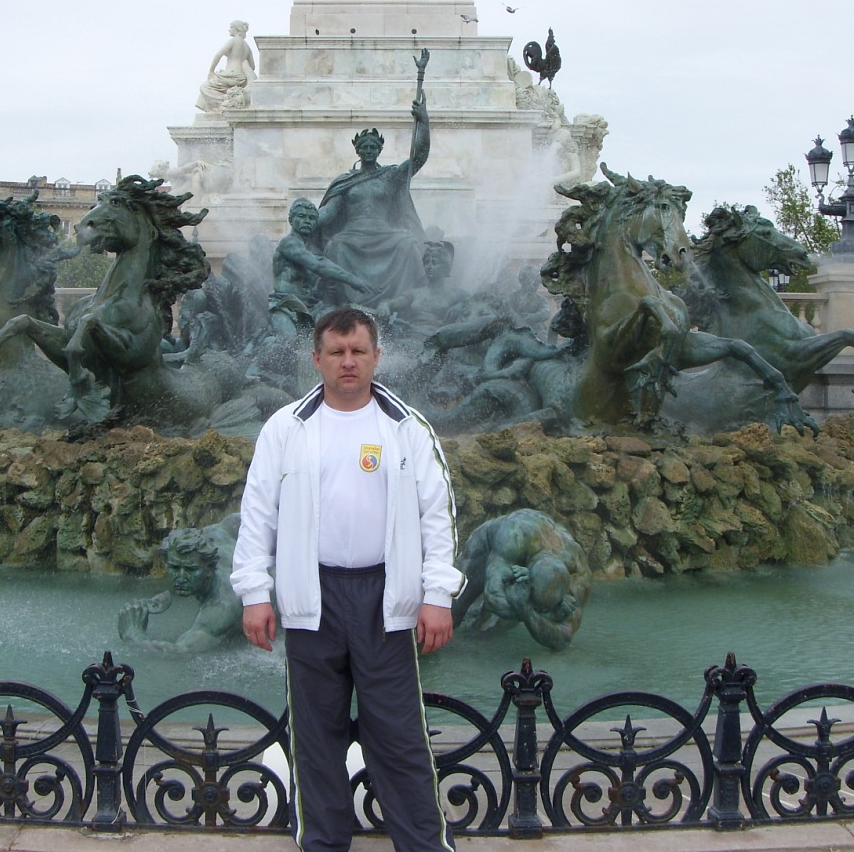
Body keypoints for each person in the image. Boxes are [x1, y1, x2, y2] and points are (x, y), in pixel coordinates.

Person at [231, 307, 464, 852]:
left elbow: (438, 514)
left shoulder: (407, 426)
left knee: (399, 735)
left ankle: (424, 845)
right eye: (336, 352)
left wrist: (438, 595)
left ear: (377, 356)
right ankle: (324, 843)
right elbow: (258, 513)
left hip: (385, 598)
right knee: (316, 737)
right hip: (311, 596)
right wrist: (254, 592)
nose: (348, 362)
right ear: (317, 359)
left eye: (358, 351)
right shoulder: (286, 427)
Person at [315, 82, 431, 309]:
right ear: (357, 150)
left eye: (373, 147)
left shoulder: (391, 176)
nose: (368, 151)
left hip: (385, 233)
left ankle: (402, 304)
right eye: (364, 147)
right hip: (352, 235)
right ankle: (341, 305)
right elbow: (329, 212)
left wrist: (424, 122)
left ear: (379, 150)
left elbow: (420, 156)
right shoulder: (345, 181)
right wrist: (309, 217)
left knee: (408, 244)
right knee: (335, 246)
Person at [451, 509, 591, 652]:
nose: (541, 611)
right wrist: (540, 612)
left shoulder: (579, 575)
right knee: (453, 609)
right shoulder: (514, 535)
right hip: (488, 546)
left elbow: (563, 639)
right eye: (540, 608)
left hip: (522, 558)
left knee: (486, 632)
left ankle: (479, 617)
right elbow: (493, 597)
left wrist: (526, 607)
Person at [116, 516, 243, 654]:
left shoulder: (222, 606)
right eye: (174, 568)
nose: (181, 578)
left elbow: (180, 652)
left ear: (209, 569)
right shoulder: (219, 532)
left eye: (191, 570)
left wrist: (132, 634)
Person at [269, 198, 375, 339]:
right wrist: (353, 280)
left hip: (311, 307)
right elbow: (318, 265)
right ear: (291, 220)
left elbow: (323, 270)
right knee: (288, 341)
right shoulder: (288, 243)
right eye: (301, 216)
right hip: (286, 305)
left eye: (311, 218)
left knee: (335, 335)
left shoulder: (313, 250)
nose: (307, 221)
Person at [196, 20, 257, 112]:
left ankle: (227, 102)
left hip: (231, 75)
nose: (229, 29)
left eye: (231, 27)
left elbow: (218, 55)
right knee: (210, 87)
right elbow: (252, 66)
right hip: (241, 78)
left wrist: (211, 71)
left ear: (237, 30)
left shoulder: (233, 41)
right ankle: (230, 100)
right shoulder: (247, 46)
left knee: (204, 87)